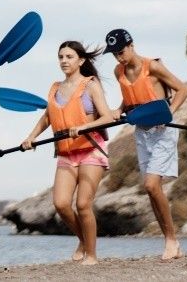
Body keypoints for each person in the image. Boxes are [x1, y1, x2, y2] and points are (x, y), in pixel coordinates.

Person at [19, 41, 115, 266]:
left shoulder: (90, 85)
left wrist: (83, 127)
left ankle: (91, 254)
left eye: (69, 57)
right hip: (66, 153)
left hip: (92, 149)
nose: (64, 61)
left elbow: (108, 117)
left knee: (83, 205)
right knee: (61, 204)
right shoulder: (55, 88)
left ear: (81, 61)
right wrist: (31, 137)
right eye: (61, 57)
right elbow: (47, 118)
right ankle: (83, 240)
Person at [105, 27, 187, 260]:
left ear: (131, 45)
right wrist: (119, 110)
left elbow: (183, 88)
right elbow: (130, 94)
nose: (118, 57)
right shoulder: (118, 71)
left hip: (163, 131)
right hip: (141, 132)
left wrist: (169, 113)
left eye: (121, 51)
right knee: (150, 189)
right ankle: (172, 243)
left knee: (153, 185)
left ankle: (171, 241)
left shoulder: (152, 67)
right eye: (114, 54)